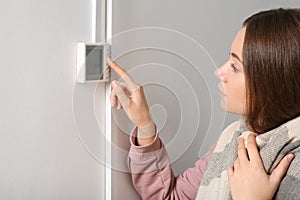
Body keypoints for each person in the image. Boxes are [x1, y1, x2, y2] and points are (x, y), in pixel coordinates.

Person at [108, 8, 300, 200]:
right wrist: (145, 124)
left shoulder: (294, 165)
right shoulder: (234, 139)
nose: (219, 72)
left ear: (273, 82)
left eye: (235, 66)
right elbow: (171, 197)